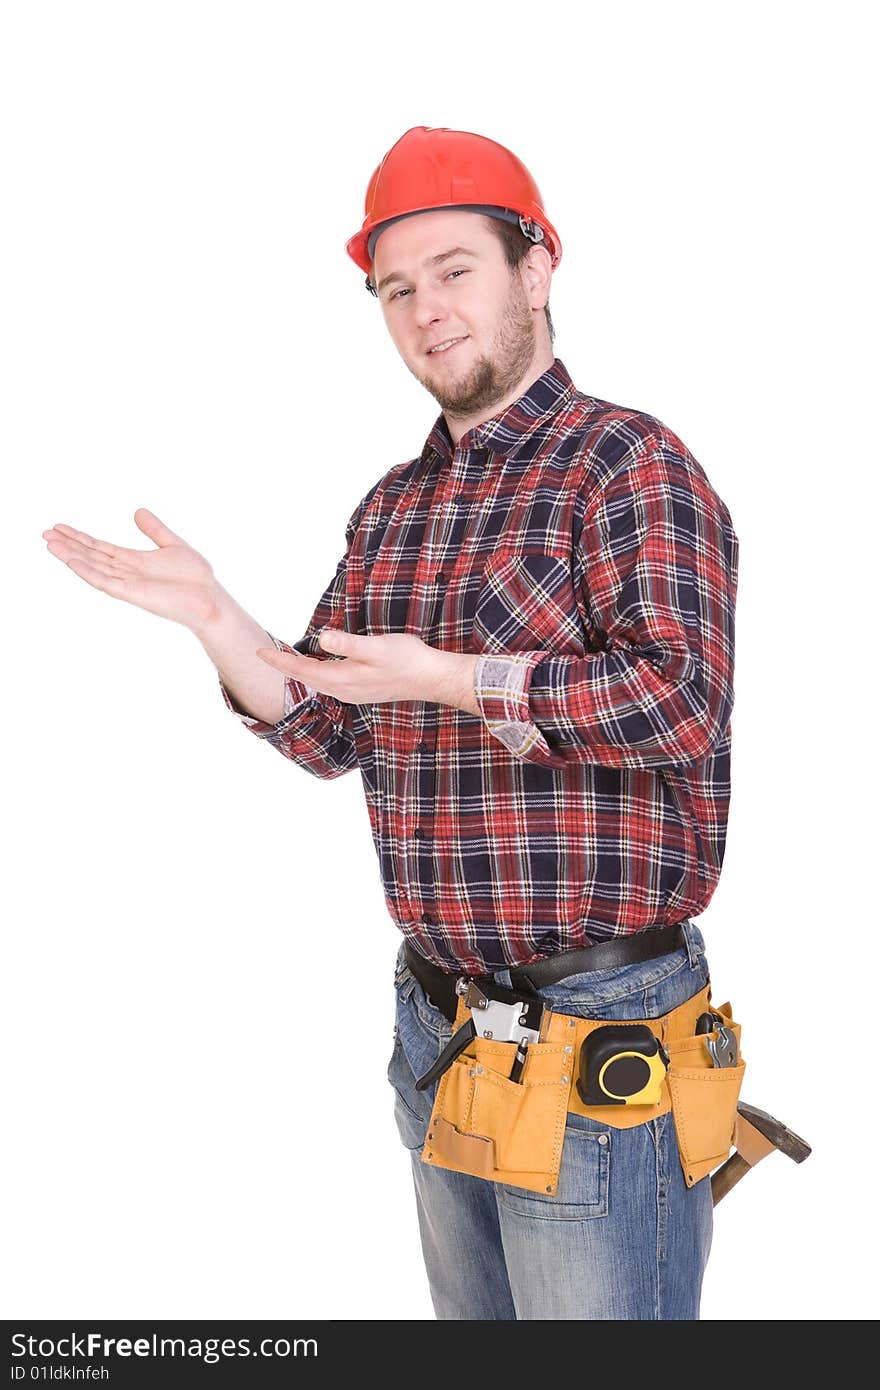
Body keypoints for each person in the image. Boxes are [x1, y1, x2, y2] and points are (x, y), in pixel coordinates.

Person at [42, 125, 739, 1320]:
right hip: (442, 1029)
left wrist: (456, 680)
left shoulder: (628, 466)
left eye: (456, 270)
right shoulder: (394, 506)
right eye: (396, 288)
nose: (427, 311)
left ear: (536, 267)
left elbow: (678, 701)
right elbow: (326, 727)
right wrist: (217, 617)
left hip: (597, 1040)